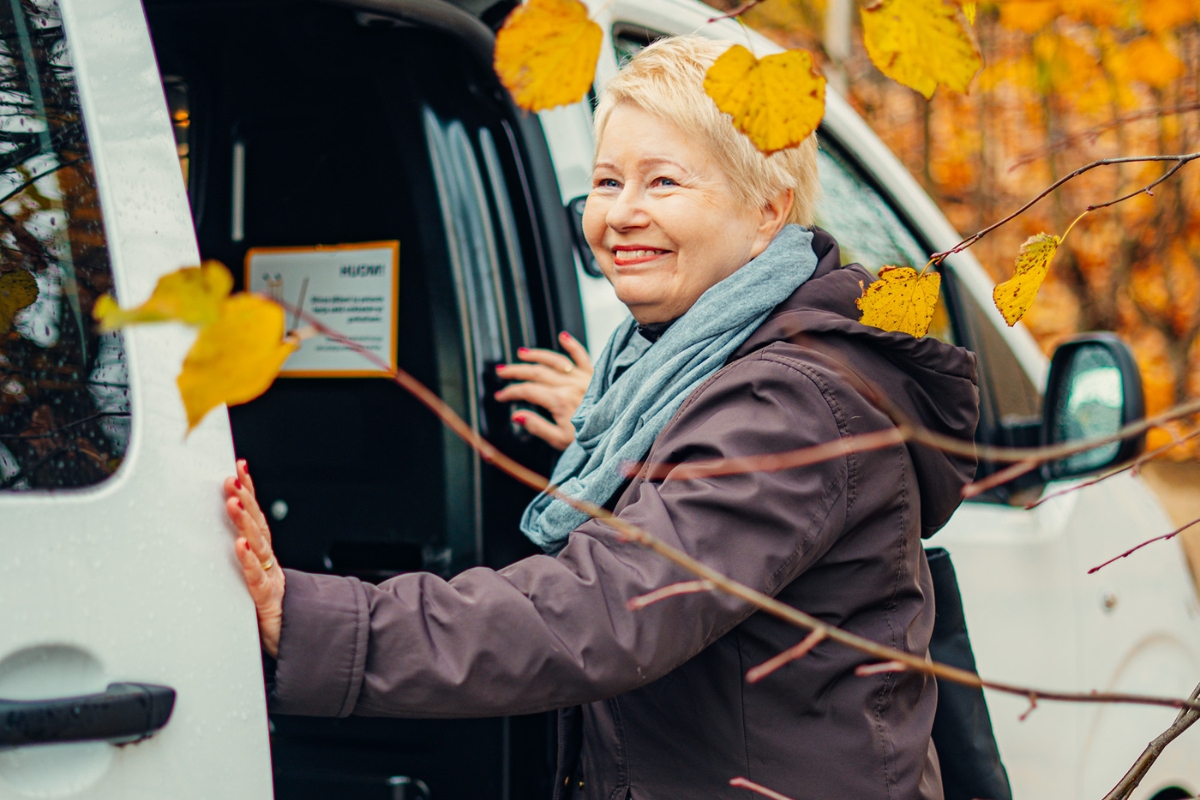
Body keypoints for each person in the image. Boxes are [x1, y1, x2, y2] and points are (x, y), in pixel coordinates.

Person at [224, 35, 979, 800]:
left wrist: (316, 623)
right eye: (608, 181)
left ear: (767, 210)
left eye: (663, 183)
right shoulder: (670, 376)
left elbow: (612, 609)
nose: (621, 214)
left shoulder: (792, 403)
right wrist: (614, 433)